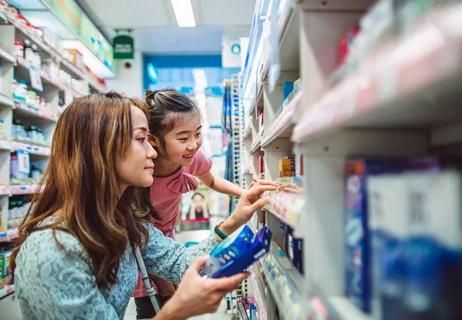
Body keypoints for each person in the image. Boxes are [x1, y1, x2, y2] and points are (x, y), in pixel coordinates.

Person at [11, 92, 277, 320]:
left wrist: (236, 222)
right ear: (101, 150)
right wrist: (176, 311)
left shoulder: (120, 223)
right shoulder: (54, 250)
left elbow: (178, 261)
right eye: (141, 140)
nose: (152, 152)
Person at [132, 88, 245, 316]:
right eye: (183, 138)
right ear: (153, 140)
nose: (194, 144)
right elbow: (138, 235)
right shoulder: (140, 173)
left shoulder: (189, 159)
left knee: (174, 297)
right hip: (140, 245)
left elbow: (212, 181)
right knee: (152, 303)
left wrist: (244, 193)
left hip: (167, 239)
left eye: (198, 133)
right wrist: (159, 276)